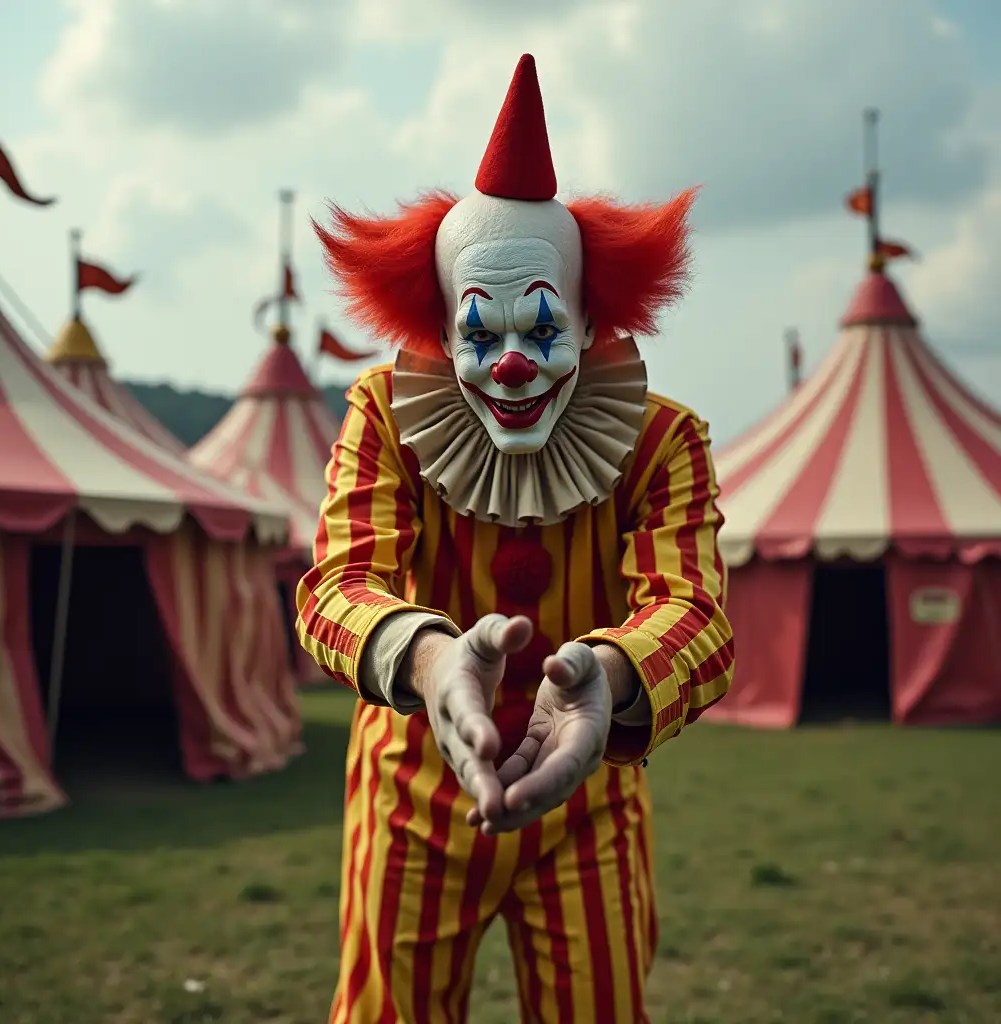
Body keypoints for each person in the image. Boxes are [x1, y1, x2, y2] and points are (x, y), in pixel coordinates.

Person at [297, 53, 735, 1024]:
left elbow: (697, 614)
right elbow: (335, 587)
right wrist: (425, 658)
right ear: (437, 332)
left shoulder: (662, 440)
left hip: (590, 803)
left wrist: (606, 678)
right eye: (478, 331)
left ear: (586, 319)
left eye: (540, 331)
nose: (507, 364)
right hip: (410, 796)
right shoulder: (382, 414)